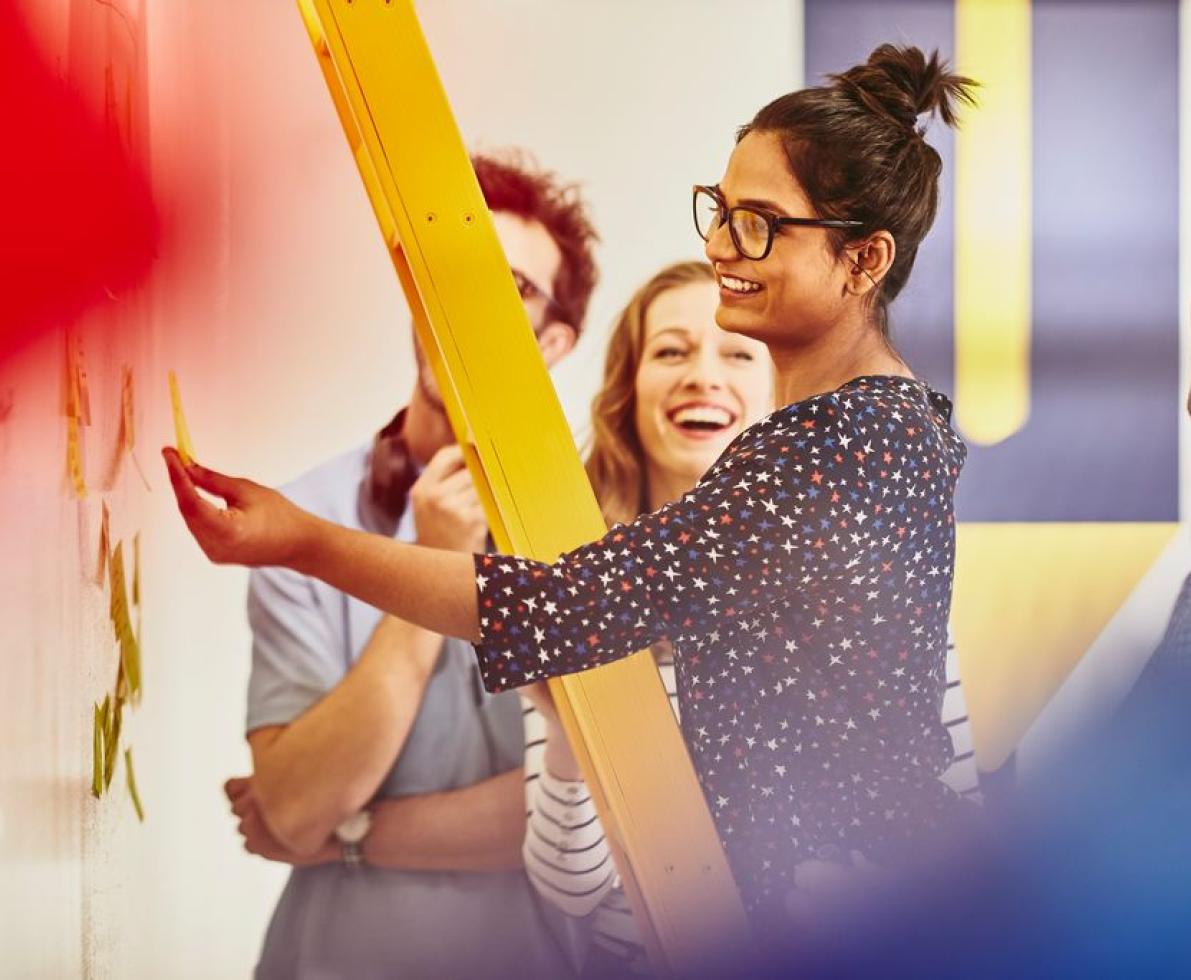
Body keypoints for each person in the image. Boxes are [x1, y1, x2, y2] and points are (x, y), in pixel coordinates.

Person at [164, 44, 979, 938]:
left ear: (862, 262)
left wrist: (301, 542)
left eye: (759, 224)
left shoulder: (842, 446)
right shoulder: (864, 435)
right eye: (719, 211)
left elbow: (562, 605)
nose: (717, 246)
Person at [522, 262, 979, 976]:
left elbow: (946, 822)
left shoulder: (869, 577)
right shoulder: (580, 588)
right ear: (627, 391)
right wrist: (563, 736)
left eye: (737, 354)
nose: (703, 375)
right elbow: (572, 889)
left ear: (778, 394)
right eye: (670, 350)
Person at [222, 151, 600, 979]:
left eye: (511, 291)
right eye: (452, 279)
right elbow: (291, 808)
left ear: (553, 341)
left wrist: (350, 833)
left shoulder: (597, 532)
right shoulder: (298, 522)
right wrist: (434, 562)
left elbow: (593, 810)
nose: (467, 312)